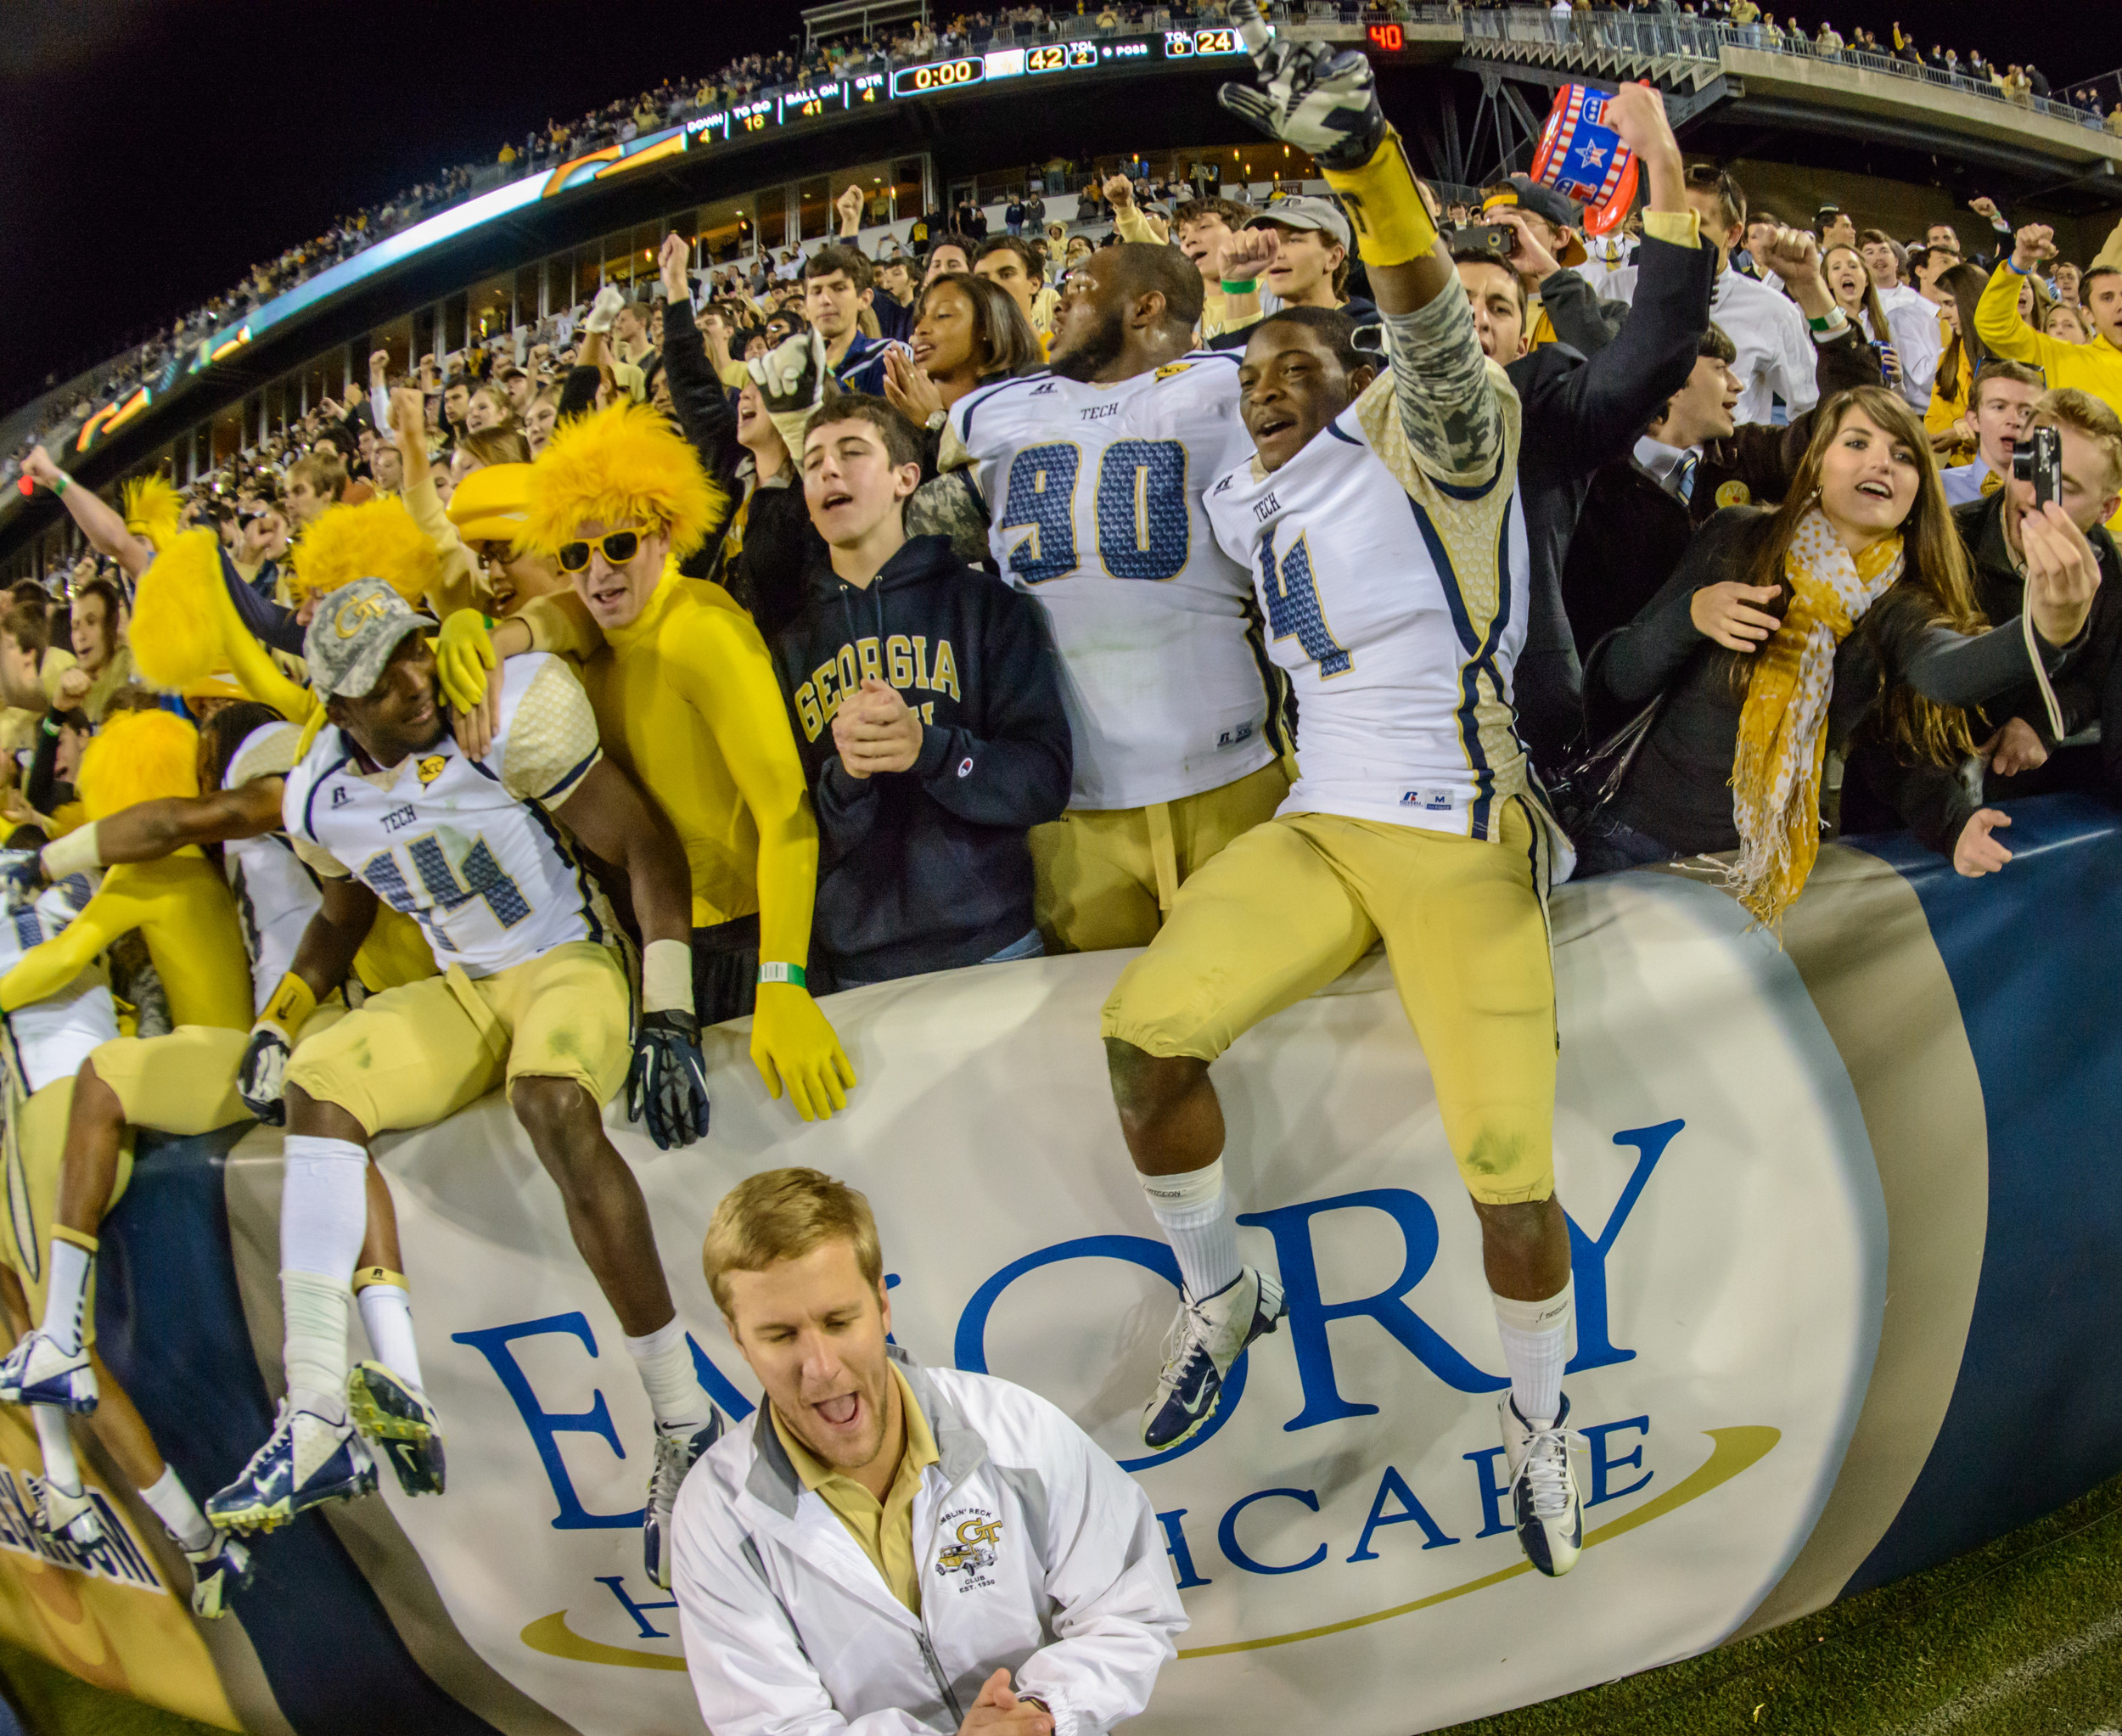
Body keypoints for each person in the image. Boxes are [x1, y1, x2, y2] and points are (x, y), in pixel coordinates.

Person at [1112, 17, 1586, 1577]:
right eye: (1247, 365)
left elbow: (1435, 329)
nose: (1262, 380)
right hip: (1321, 822)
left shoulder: (1433, 439)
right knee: (1144, 1035)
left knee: (1509, 1172)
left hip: (1456, 824)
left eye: (1291, 356)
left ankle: (1539, 1420)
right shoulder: (1254, 500)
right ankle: (1218, 1289)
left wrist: (1366, 168)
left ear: (1353, 365)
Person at [210, 577, 719, 1590]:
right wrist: (284, 1013)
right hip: (465, 986)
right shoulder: (320, 789)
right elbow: (347, 900)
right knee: (321, 1082)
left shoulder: (503, 711)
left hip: (568, 956)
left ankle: (683, 1417)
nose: (413, 679)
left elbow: (640, 841)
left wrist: (668, 1003)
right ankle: (314, 1407)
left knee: (548, 1099)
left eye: (414, 648)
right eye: (378, 676)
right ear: (337, 709)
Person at [671, 1167, 1186, 1736]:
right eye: (780, 1335)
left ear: (883, 1307)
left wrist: (1041, 1713)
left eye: (839, 1321)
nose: (820, 1367)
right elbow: (773, 1728)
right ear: (738, 1338)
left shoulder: (1017, 1431)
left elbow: (1132, 1608)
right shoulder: (716, 1515)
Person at [461, 402, 856, 1118]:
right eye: (575, 555)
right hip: (674, 948)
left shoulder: (698, 633)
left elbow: (787, 816)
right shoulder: (597, 635)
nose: (597, 571)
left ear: (665, 534)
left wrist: (783, 979)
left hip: (762, 938)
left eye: (618, 544)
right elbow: (569, 613)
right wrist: (491, 634)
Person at [1577, 387, 2098, 902]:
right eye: (1856, 443)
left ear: (1920, 490)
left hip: (1755, 878)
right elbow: (1618, 676)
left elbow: (1948, 673)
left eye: (1902, 455)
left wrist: (2048, 630)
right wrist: (1691, 615)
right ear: (1817, 464)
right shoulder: (1738, 536)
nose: (1881, 463)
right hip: (1631, 846)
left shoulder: (1900, 601)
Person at [918, 239, 1290, 953]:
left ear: (1145, 305)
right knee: (1105, 1036)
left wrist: (1243, 279)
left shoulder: (1237, 384)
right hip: (1072, 807)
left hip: (1235, 776)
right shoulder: (992, 413)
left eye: (1079, 284)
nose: (1059, 298)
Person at [1448, 79, 1715, 767]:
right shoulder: (1366, 405)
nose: (1477, 318)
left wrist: (1661, 160)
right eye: (1458, 301)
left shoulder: (1544, 411)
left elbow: (1651, 349)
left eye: (1499, 308)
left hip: (1524, 719)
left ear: (1520, 337)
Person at [774, 396, 1070, 989]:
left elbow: (1043, 779)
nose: (829, 469)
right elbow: (790, 829)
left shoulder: (985, 606)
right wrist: (849, 777)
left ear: (906, 477)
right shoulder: (786, 645)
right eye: (813, 463)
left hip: (994, 946)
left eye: (852, 452)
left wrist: (929, 750)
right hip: (857, 968)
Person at [1848, 389, 2122, 872]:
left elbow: (2096, 676)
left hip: (2014, 821)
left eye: (2066, 486)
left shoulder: (2107, 567)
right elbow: (1884, 710)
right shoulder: (1941, 545)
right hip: (1900, 832)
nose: (2037, 495)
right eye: (2027, 470)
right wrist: (1950, 822)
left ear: (2107, 509)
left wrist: (2043, 720)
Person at [1590, 164, 1819, 428]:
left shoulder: (1773, 311)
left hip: (1720, 464)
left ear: (1733, 234)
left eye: (1693, 223)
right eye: (1670, 219)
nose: (1677, 234)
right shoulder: (1617, 289)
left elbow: (1809, 408)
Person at [1978, 224, 2122, 423]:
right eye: (2107, 298)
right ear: (2088, 315)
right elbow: (1994, 325)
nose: (2120, 305)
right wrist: (2021, 261)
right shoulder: (2064, 358)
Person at [881, 272, 1041, 441]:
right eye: (920, 318)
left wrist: (935, 422)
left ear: (986, 326)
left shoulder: (1023, 409)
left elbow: (986, 466)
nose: (920, 329)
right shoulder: (904, 415)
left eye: (942, 315)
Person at [802, 247, 904, 397]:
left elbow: (882, 420)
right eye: (816, 291)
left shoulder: (886, 354)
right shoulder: (796, 365)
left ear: (864, 299)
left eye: (838, 288)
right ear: (806, 306)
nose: (824, 300)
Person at [1939, 361, 2042, 503]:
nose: (2014, 420)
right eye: (1999, 407)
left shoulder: (2054, 494)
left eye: (2026, 412)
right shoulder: (1937, 488)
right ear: (1974, 419)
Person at [61, 576, 137, 724]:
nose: (80, 635)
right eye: (75, 625)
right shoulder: (69, 684)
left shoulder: (133, 670)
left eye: (91, 622)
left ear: (111, 626)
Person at [972, 234, 1055, 347]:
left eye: (1007, 275)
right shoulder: (968, 360)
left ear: (1034, 284)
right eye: (983, 279)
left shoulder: (1060, 356)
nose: (993, 284)